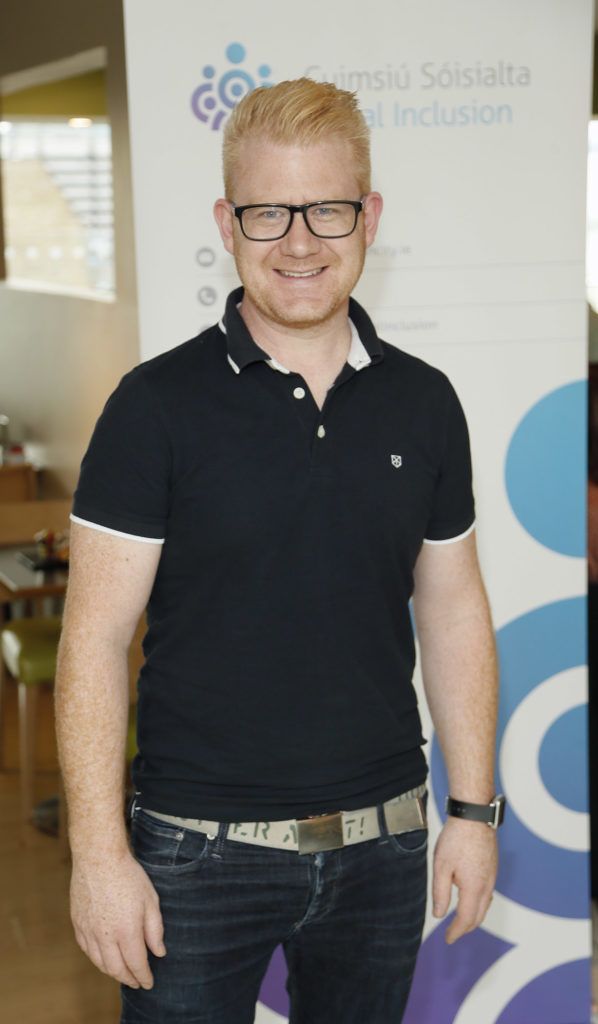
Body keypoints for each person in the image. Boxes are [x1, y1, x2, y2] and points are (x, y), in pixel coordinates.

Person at [55, 78, 503, 1024]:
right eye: (268, 213)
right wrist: (99, 856)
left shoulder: (425, 403)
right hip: (193, 858)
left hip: (383, 850)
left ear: (369, 217)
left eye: (327, 210)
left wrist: (473, 811)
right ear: (227, 221)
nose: (299, 242)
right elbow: (92, 640)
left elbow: (454, 606)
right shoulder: (154, 407)